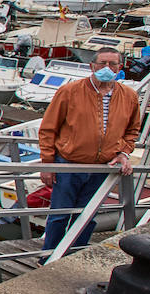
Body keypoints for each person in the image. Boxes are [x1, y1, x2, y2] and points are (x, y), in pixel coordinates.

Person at [38, 47, 141, 255]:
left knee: (87, 215)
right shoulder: (70, 91)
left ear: (120, 68)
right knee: (60, 214)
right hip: (69, 163)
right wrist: (48, 164)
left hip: (103, 167)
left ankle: (75, 254)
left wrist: (124, 153)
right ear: (91, 66)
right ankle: (49, 256)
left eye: (112, 64)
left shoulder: (128, 96)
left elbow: (133, 130)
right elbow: (49, 128)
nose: (107, 68)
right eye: (102, 63)